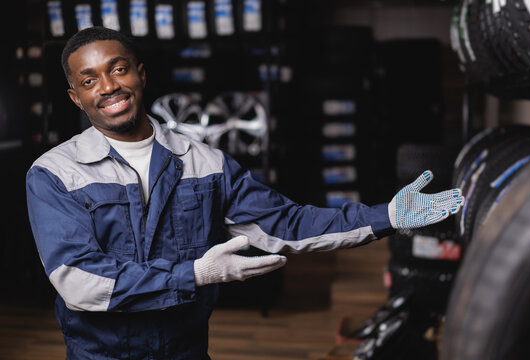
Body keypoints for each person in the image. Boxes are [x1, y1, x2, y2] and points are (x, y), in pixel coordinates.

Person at [25, 26, 464, 360]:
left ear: (140, 74)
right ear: (75, 97)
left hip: (187, 349)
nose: (108, 86)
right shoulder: (55, 174)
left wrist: (386, 215)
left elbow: (286, 225)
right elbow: (80, 282)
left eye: (118, 69)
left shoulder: (206, 164)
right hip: (102, 355)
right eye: (89, 80)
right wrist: (193, 274)